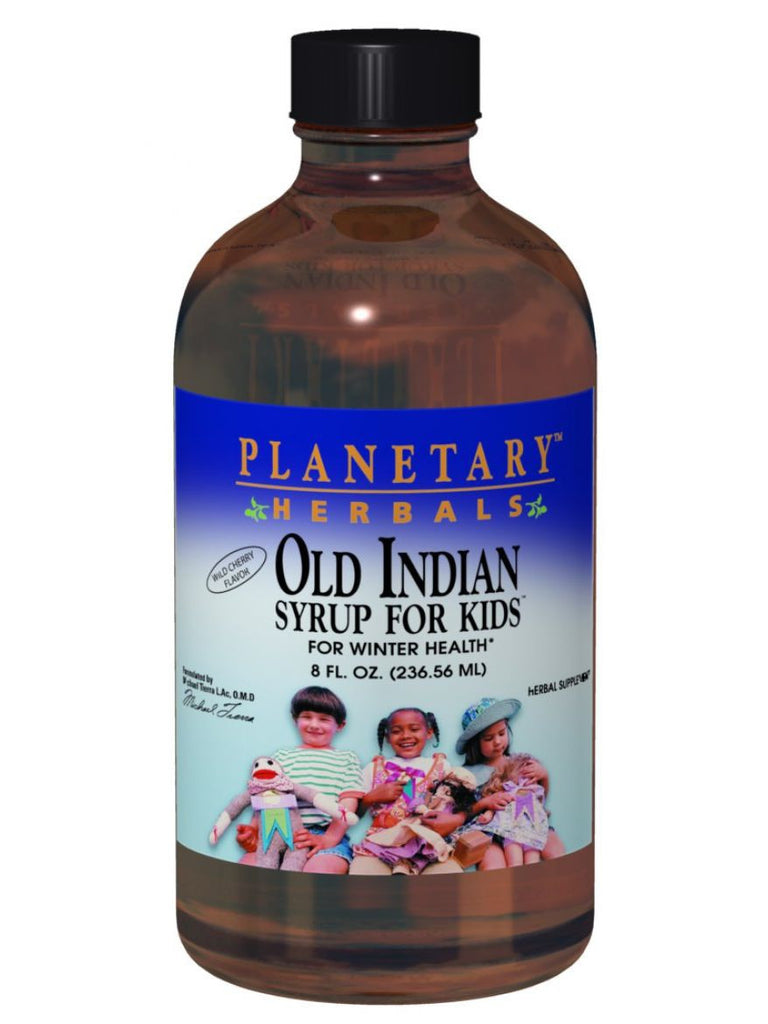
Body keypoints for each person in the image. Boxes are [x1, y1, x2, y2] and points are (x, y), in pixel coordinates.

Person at [238, 685, 363, 874]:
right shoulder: (281, 757)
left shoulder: (347, 759)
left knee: (320, 871)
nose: (314, 724)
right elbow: (266, 797)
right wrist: (253, 830)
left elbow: (347, 804)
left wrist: (328, 839)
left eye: (324, 719)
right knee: (248, 870)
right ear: (295, 719)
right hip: (277, 834)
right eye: (307, 717)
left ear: (340, 725)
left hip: (323, 834)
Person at [350, 707, 472, 875]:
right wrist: (370, 798)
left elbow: (461, 803)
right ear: (387, 737)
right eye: (396, 731)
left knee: (450, 882)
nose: (406, 735)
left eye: (414, 729)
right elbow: (351, 815)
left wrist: (453, 819)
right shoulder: (373, 768)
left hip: (428, 845)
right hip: (381, 844)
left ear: (428, 733)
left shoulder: (441, 766)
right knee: (363, 880)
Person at [456, 697, 565, 869]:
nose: (498, 742)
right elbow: (462, 812)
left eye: (502, 733)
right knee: (493, 866)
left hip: (528, 822)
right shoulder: (468, 775)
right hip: (490, 830)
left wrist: (544, 777)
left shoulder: (519, 763)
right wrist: (485, 803)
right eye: (488, 738)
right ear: (475, 743)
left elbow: (537, 798)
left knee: (556, 853)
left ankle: (556, 882)